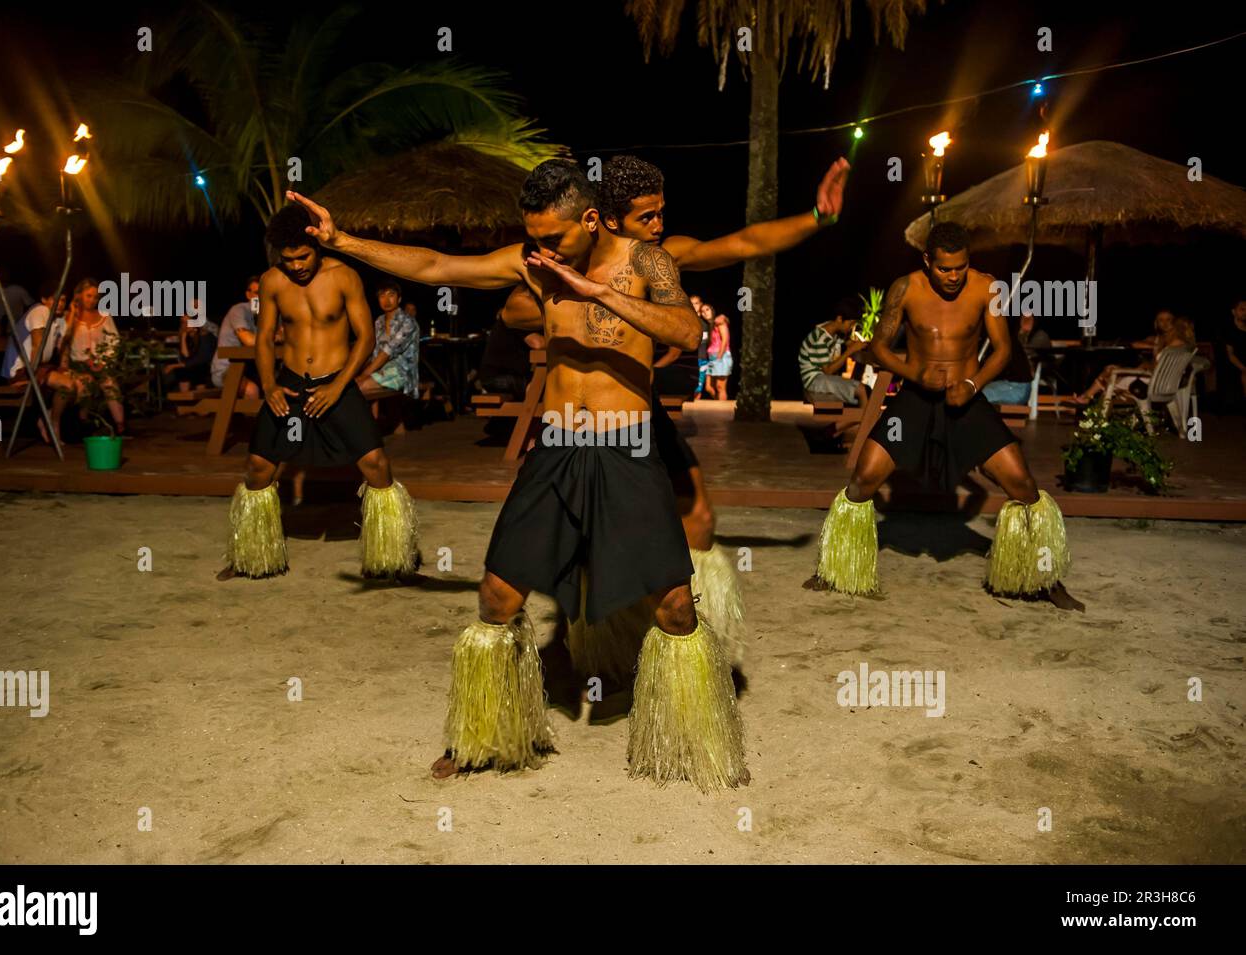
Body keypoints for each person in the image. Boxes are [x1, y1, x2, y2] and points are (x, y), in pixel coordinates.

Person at [288, 159, 749, 791]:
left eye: (554, 238)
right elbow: (433, 266)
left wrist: (597, 294)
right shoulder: (533, 261)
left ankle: (696, 739)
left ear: (590, 221)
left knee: (672, 606)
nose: (541, 251)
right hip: (557, 449)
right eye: (533, 237)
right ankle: (486, 738)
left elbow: (689, 332)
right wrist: (342, 242)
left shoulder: (646, 262)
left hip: (627, 447)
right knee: (498, 596)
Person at [498, 153, 850, 683]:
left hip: (640, 416)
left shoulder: (660, 257)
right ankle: (606, 640)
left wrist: (817, 218)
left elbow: (744, 244)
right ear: (607, 219)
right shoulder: (565, 256)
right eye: (647, 217)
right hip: (580, 421)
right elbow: (510, 308)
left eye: (662, 212)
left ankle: (697, 635)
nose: (660, 226)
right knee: (588, 542)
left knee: (700, 520)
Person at [806, 222, 1084, 612]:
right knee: (864, 476)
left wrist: (972, 384)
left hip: (964, 399)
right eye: (944, 269)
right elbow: (880, 349)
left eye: (960, 267)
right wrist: (914, 375)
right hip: (917, 399)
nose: (953, 277)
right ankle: (834, 569)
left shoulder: (985, 287)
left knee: (1021, 482)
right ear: (927, 261)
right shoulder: (905, 289)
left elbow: (1003, 350)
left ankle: (1044, 579)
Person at [217, 205, 418, 583]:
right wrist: (270, 385)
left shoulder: (345, 277)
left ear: (317, 244)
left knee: (376, 464)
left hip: (336, 383)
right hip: (291, 383)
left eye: (303, 257)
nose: (296, 266)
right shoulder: (272, 281)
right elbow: (263, 340)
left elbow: (366, 338)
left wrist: (339, 385)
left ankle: (391, 558)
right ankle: (250, 557)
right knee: (259, 468)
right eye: (288, 259)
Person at [44, 279, 124, 442]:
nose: (92, 300)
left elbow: (114, 341)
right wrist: (72, 314)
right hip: (78, 364)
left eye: (95, 297)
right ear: (79, 295)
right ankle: (81, 424)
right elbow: (63, 343)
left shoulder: (104, 316)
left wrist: (103, 360)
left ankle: (120, 425)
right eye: (88, 296)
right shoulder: (69, 316)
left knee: (109, 383)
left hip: (101, 363)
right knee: (83, 385)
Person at [1073, 310, 1192, 405]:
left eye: (1168, 320)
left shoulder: (1175, 343)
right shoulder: (1162, 340)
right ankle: (1087, 398)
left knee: (1111, 374)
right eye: (1161, 320)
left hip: (1156, 382)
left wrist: (1142, 367)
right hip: (1157, 379)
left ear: (1174, 322)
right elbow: (1136, 345)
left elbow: (1157, 367)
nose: (1165, 323)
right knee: (1110, 370)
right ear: (1156, 323)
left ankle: (1088, 401)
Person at [799, 296, 869, 408]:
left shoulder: (832, 331)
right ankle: (867, 425)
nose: (852, 328)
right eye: (850, 324)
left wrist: (861, 345)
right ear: (839, 319)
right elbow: (828, 370)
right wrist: (850, 351)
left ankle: (857, 422)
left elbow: (848, 343)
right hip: (814, 381)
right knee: (861, 390)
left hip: (820, 379)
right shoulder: (820, 338)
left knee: (864, 389)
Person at [355, 280, 419, 402]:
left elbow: (387, 352)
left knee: (359, 388)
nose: (386, 300)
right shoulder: (379, 321)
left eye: (391, 295)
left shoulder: (408, 322)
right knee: (353, 384)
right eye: (382, 296)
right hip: (380, 370)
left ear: (399, 299)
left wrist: (364, 375)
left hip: (402, 373)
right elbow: (373, 351)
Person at [211, 276, 262, 398]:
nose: (260, 297)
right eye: (256, 293)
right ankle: (251, 417)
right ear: (248, 294)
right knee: (252, 391)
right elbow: (249, 340)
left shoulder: (267, 314)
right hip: (227, 370)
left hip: (251, 369)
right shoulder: (239, 310)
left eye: (264, 293)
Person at [2, 284, 64, 385]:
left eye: (63, 300)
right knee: (69, 384)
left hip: (38, 367)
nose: (60, 304)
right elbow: (37, 346)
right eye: (55, 299)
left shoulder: (55, 320)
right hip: (21, 371)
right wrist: (32, 378)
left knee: (75, 382)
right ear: (44, 300)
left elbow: (62, 346)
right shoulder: (41, 310)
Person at [982, 309, 1040, 406]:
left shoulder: (1002, 339)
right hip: (1005, 384)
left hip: (1016, 387)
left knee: (976, 397)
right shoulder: (991, 338)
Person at [163, 312, 218, 393]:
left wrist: (174, 366)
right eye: (182, 322)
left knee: (195, 369)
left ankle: (197, 399)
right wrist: (183, 337)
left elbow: (202, 359)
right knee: (183, 371)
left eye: (188, 322)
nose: (185, 325)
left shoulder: (204, 335)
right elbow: (185, 358)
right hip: (196, 367)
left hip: (211, 368)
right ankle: (184, 399)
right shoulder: (187, 337)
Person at [1218, 297, 1246, 412]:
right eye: (1242, 309)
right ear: (1234, 312)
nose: (1245, 312)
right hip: (1235, 364)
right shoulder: (1228, 330)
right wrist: (1243, 368)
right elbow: (1230, 355)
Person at [705, 307, 734, 399]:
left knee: (720, 386)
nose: (705, 313)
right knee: (709, 387)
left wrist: (719, 357)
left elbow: (725, 341)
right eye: (703, 311)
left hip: (721, 356)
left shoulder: (720, 323)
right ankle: (717, 405)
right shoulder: (711, 325)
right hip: (712, 357)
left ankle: (721, 410)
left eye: (707, 310)